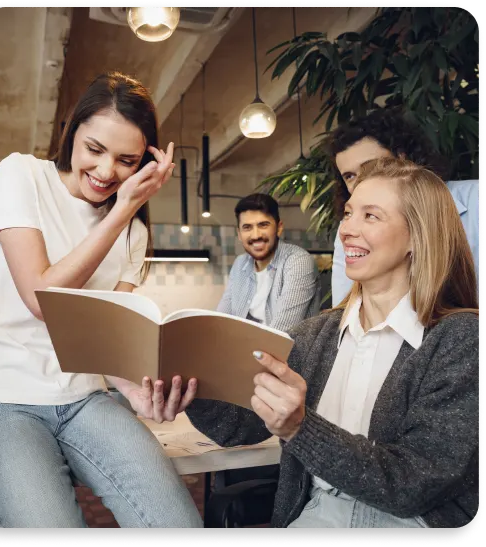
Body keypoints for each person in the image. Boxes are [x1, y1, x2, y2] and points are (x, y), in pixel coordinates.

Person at [186, 157, 479, 529]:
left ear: (417, 236)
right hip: (316, 513)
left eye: (370, 216)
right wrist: (191, 389)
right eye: (348, 213)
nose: (347, 230)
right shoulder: (315, 335)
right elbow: (243, 425)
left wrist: (299, 428)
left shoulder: (459, 339)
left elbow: (415, 483)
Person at [0, 72, 203, 528]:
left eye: (127, 160)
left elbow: (103, 339)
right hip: (0, 399)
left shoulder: (135, 234)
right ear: (72, 132)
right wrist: (122, 209)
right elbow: (43, 298)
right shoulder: (21, 174)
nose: (106, 173)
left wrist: (136, 392)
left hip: (86, 397)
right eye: (95, 150)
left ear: (145, 162)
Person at [326, 108, 479, 306]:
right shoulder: (349, 230)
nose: (362, 180)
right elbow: (345, 306)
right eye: (349, 176)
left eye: (372, 165)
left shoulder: (475, 199)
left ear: (403, 157)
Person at [217, 193, 320, 333]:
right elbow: (221, 321)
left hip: (287, 354)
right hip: (242, 351)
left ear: (279, 227)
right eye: (247, 227)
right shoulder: (240, 264)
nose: (256, 235)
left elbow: (280, 334)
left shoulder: (298, 261)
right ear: (239, 234)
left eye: (263, 225)